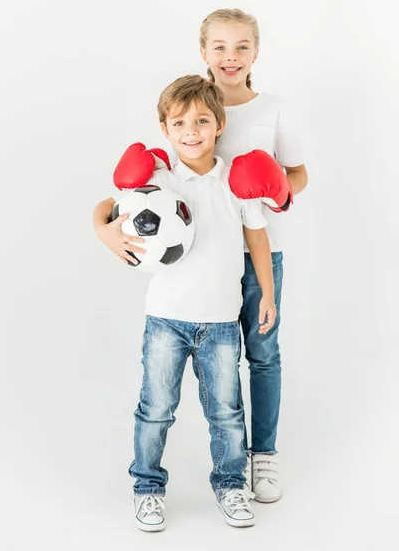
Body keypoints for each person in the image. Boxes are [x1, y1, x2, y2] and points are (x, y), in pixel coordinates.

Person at [93, 75, 290, 530]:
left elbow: (257, 239)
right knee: (155, 409)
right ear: (165, 129)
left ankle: (231, 485)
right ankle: (147, 487)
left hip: (221, 319)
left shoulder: (237, 181)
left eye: (202, 121)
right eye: (179, 123)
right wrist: (103, 231)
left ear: (220, 124)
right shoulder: (156, 182)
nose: (191, 131)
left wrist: (269, 294)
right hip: (165, 319)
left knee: (226, 412)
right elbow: (105, 205)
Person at [195, 9, 308, 502]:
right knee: (220, 359)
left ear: (255, 53)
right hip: (209, 254)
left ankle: (265, 456)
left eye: (241, 47)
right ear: (203, 53)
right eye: (219, 47)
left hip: (265, 252)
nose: (230, 57)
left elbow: (298, 173)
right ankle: (231, 462)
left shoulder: (274, 108)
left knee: (262, 355)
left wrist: (278, 193)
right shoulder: (195, 105)